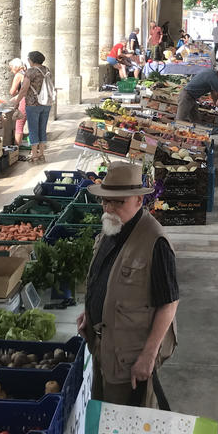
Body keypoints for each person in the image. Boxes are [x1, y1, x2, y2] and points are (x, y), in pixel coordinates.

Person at [78, 162, 178, 408]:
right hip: (104, 348)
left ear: (138, 200)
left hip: (129, 359)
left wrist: (148, 356)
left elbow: (169, 304)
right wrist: (90, 312)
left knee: (125, 422)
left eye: (118, 202)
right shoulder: (112, 227)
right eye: (105, 201)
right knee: (103, 414)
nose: (109, 208)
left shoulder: (155, 242)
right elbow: (104, 277)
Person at [11, 51, 53, 163]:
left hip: (33, 104)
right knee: (42, 128)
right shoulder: (47, 70)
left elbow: (24, 89)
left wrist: (17, 102)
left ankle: (34, 154)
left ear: (32, 60)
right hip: (46, 103)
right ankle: (41, 154)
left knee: (33, 129)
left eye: (29, 59)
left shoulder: (31, 72)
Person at [8, 57, 27, 151]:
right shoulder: (26, 72)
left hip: (24, 100)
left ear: (16, 67)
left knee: (19, 124)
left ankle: (17, 148)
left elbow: (12, 91)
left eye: (11, 68)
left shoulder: (19, 75)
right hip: (32, 100)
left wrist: (15, 94)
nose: (11, 71)